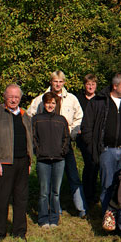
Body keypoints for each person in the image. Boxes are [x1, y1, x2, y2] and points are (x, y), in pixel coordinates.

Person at [81, 73, 121, 213]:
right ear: (115, 86)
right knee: (107, 185)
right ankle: (108, 216)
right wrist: (92, 147)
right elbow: (87, 126)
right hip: (106, 151)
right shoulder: (98, 102)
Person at [27, 70, 87, 218]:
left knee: (73, 176)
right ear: (51, 82)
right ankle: (55, 209)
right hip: (46, 146)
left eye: (60, 82)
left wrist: (71, 132)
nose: (58, 84)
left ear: (64, 83)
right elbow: (29, 117)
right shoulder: (40, 99)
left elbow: (79, 117)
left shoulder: (71, 99)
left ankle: (81, 208)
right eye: (55, 81)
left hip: (65, 143)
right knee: (50, 181)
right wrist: (36, 141)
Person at [0, 84, 33, 242]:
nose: (13, 100)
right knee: (3, 199)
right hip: (4, 162)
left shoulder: (24, 115)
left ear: (20, 98)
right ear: (5, 96)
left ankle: (19, 232)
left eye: (16, 97)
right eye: (10, 96)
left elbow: (29, 140)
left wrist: (29, 161)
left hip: (22, 162)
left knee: (21, 199)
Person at [33, 92, 70, 229]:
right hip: (43, 160)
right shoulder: (37, 119)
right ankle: (43, 219)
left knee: (55, 192)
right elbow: (33, 137)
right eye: (48, 103)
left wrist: (63, 151)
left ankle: (54, 218)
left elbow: (66, 138)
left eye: (53, 103)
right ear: (44, 103)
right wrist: (38, 151)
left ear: (56, 104)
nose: (50, 105)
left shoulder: (61, 120)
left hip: (59, 160)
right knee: (44, 192)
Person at [76, 74, 99, 207]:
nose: (90, 87)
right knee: (89, 163)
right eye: (88, 84)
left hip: (97, 137)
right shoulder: (78, 99)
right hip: (83, 136)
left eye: (93, 84)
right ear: (84, 85)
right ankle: (86, 194)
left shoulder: (100, 99)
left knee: (96, 165)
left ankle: (94, 192)